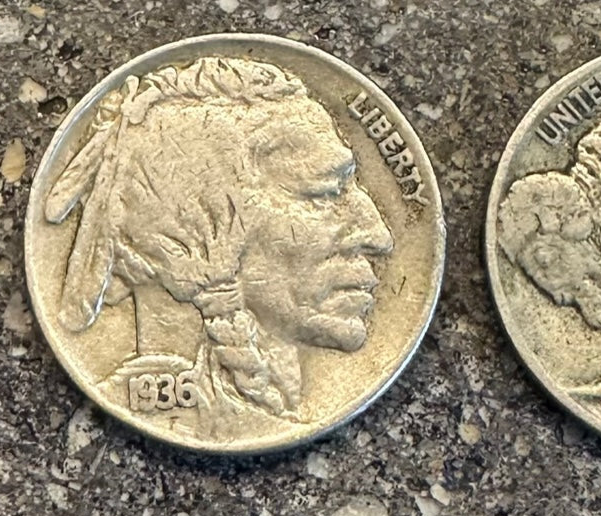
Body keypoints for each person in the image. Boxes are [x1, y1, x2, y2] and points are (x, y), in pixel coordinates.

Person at [44, 55, 393, 431]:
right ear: (195, 237)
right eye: (325, 192)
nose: (379, 236)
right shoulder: (203, 419)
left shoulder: (260, 407)